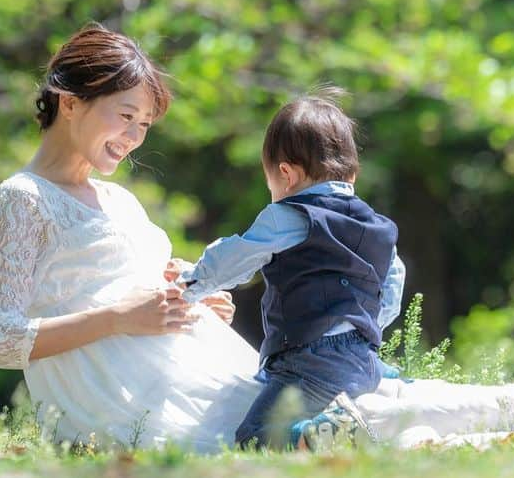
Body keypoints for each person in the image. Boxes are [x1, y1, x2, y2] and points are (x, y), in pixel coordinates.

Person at [0, 23, 514, 452]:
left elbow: (155, 291)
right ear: (71, 104)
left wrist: (196, 304)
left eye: (142, 124)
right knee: (353, 426)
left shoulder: (119, 201)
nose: (133, 137)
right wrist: (127, 318)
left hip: (207, 368)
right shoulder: (22, 198)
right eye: (123, 116)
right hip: (122, 395)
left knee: (387, 405)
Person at [170, 89, 403, 448]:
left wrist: (191, 283)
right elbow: (392, 281)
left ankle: (325, 436)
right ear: (352, 174)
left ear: (285, 175)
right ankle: (350, 416)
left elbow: (238, 255)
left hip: (312, 363)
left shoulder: (291, 214)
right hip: (364, 360)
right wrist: (363, 329)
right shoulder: (376, 225)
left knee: (254, 436)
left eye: (270, 186)